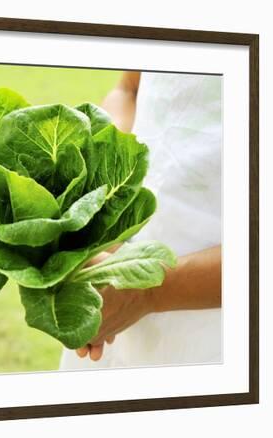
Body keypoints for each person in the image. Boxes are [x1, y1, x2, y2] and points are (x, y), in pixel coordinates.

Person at [60, 71, 222, 368]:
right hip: (108, 296)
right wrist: (104, 183)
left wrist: (146, 291)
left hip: (220, 328)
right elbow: (128, 89)